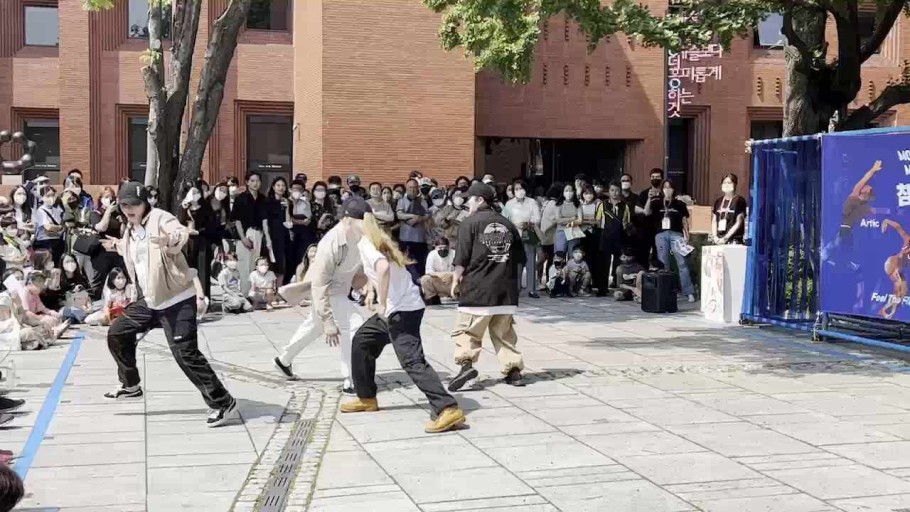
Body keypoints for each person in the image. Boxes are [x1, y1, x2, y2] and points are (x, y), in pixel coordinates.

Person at [102, 182, 237, 427]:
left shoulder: (160, 218)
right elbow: (140, 255)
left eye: (134, 204)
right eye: (124, 205)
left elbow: (179, 233)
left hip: (177, 300)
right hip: (150, 300)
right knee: (117, 332)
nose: (129, 209)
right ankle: (131, 385)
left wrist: (169, 240)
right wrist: (119, 246)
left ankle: (223, 402)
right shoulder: (130, 229)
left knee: (185, 354)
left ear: (145, 204)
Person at [342, 212, 466, 433]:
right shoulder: (373, 240)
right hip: (398, 309)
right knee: (363, 341)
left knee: (412, 361)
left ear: (350, 221)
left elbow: (383, 268)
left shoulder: (368, 243)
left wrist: (381, 301)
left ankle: (447, 408)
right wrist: (371, 289)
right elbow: (378, 271)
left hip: (402, 311)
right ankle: (367, 398)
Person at [272, 199, 371, 393]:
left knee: (313, 327)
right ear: (348, 219)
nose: (367, 225)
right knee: (354, 325)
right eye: (363, 220)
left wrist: (366, 284)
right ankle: (351, 378)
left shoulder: (360, 237)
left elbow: (356, 270)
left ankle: (283, 360)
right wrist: (328, 321)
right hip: (328, 291)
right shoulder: (331, 243)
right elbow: (319, 285)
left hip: (340, 290)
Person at [447, 183, 526, 392]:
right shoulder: (507, 224)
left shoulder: (469, 224)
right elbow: (520, 259)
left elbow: (461, 258)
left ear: (480, 200)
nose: (466, 203)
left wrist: (455, 280)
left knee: (467, 332)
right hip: (505, 290)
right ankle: (513, 372)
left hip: (477, 289)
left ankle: (466, 366)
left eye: (469, 199)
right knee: (504, 334)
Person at [645, 179, 696, 302]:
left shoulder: (679, 204)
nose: (667, 189)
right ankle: (666, 291)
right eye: (665, 187)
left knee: (682, 262)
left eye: (670, 187)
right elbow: (646, 212)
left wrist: (687, 235)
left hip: (676, 234)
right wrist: (649, 199)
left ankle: (688, 291)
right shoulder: (657, 202)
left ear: (674, 189)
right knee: (664, 263)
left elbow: (684, 220)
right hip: (661, 234)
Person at [231, 171, 269, 294]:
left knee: (255, 266)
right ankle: (243, 295)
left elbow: (265, 220)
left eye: (257, 181)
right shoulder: (240, 198)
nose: (255, 183)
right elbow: (237, 220)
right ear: (247, 182)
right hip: (245, 233)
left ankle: (253, 295)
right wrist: (243, 238)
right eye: (252, 181)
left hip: (258, 234)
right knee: (243, 267)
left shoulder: (263, 199)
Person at [503, 179, 542, 299]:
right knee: (516, 262)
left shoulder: (532, 202)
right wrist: (514, 225)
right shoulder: (509, 204)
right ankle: (516, 288)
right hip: (514, 235)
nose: (519, 191)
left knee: (530, 262)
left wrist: (528, 223)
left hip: (528, 233)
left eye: (521, 188)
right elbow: (504, 219)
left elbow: (537, 218)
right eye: (516, 189)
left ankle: (531, 289)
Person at [178, 181, 216, 300]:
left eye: (197, 193)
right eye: (193, 193)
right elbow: (179, 224)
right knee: (189, 268)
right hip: (188, 243)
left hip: (202, 242)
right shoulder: (184, 208)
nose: (195, 195)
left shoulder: (206, 208)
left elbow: (211, 226)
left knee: (203, 270)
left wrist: (199, 232)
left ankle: (204, 297)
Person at [596, 181, 634, 295]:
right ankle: (602, 288)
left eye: (617, 190)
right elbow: (598, 221)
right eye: (612, 190)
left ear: (620, 191)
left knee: (619, 263)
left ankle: (618, 286)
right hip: (605, 237)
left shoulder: (625, 206)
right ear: (609, 191)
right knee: (604, 263)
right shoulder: (602, 205)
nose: (615, 193)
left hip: (619, 237)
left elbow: (627, 223)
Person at [396, 179, 431, 282]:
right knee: (407, 262)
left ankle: (420, 282)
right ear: (406, 188)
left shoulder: (422, 201)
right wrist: (412, 216)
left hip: (420, 238)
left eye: (415, 187)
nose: (413, 190)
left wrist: (420, 218)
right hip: (406, 237)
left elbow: (428, 214)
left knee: (420, 262)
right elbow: (399, 214)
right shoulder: (402, 201)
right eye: (410, 187)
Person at [265, 177, 292, 285]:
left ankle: (279, 290)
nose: (281, 188)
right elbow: (265, 222)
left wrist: (287, 207)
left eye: (283, 185)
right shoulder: (267, 202)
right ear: (273, 187)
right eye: (278, 185)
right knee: (271, 265)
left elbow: (288, 222)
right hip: (271, 234)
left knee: (282, 266)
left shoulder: (287, 202)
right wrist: (267, 238)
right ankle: (270, 290)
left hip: (283, 236)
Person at [880, 219, 910, 319]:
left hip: (899, 269)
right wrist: (886, 221)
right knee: (898, 289)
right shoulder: (907, 240)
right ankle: (889, 314)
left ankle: (884, 310)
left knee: (903, 293)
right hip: (892, 264)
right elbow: (898, 227)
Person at [288, 179, 314, 283]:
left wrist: (296, 221)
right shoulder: (286, 202)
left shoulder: (306, 203)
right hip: (289, 233)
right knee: (289, 259)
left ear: (303, 191)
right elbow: (287, 219)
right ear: (290, 190)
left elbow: (307, 220)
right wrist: (298, 221)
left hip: (302, 234)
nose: (297, 191)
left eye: (299, 189)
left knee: (301, 257)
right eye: (294, 189)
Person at [638, 168, 665, 265]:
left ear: (662, 179)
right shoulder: (644, 194)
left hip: (661, 228)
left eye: (657, 177)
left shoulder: (665, 193)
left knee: (659, 253)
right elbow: (644, 211)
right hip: (646, 228)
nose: (655, 179)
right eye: (653, 177)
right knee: (644, 253)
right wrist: (649, 198)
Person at [538, 183, 563, 292]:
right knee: (551, 260)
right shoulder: (555, 204)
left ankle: (539, 280)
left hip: (543, 236)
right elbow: (556, 220)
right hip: (551, 236)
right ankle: (550, 282)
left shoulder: (546, 203)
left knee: (543, 260)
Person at [712, 173, 748, 245]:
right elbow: (714, 220)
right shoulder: (718, 201)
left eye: (729, 183)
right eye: (724, 183)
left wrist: (725, 238)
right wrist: (715, 236)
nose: (726, 185)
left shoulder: (739, 200)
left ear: (735, 184)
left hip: (734, 240)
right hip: (719, 239)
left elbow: (739, 222)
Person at [33, 186, 65, 263]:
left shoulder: (57, 210)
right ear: (42, 197)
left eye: (52, 195)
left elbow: (62, 226)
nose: (51, 198)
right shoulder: (41, 210)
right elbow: (48, 227)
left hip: (57, 242)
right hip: (44, 242)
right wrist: (58, 228)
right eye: (48, 196)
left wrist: (57, 228)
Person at [420, 238, 456, 305]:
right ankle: (432, 299)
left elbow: (460, 269)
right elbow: (428, 271)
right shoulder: (432, 254)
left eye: (445, 248)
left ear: (449, 247)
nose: (443, 250)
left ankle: (458, 295)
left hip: (452, 281)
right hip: (439, 281)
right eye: (440, 248)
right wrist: (440, 275)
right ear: (435, 247)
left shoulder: (454, 253)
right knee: (425, 279)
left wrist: (449, 275)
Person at [554, 183, 582, 255]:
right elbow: (558, 220)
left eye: (570, 190)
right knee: (560, 255)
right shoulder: (559, 204)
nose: (568, 193)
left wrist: (565, 221)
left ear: (574, 192)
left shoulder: (577, 204)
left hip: (574, 232)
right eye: (566, 190)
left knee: (573, 254)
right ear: (563, 192)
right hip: (561, 232)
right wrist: (572, 219)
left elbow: (580, 220)